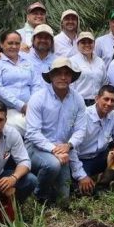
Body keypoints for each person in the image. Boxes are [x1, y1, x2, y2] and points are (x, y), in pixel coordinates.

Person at [26, 58, 87, 205]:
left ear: (72, 77)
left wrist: (69, 145)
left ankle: (50, 192)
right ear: (51, 76)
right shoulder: (38, 98)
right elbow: (32, 133)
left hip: (63, 150)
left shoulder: (78, 99)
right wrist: (54, 149)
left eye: (67, 73)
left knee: (64, 200)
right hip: (35, 148)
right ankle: (38, 196)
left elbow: (81, 129)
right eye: (58, 73)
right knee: (52, 165)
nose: (63, 77)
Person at [73, 85, 114, 192]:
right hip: (81, 160)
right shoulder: (84, 116)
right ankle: (97, 181)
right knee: (82, 189)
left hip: (100, 157)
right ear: (97, 99)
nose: (109, 103)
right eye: (106, 99)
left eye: (112, 100)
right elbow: (72, 150)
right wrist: (81, 176)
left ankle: (105, 183)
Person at [0, 31, 40, 136]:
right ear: (2, 44)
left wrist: (32, 105)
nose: (14, 46)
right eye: (10, 43)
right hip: (3, 109)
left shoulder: (27, 62)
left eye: (17, 43)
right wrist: (21, 105)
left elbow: (35, 84)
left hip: (28, 110)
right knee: (22, 129)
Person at [70, 31, 107, 106]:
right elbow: (70, 86)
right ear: (78, 45)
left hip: (97, 102)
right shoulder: (72, 61)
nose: (87, 45)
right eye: (83, 42)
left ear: (94, 44)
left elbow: (104, 82)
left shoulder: (100, 62)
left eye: (90, 42)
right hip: (79, 102)